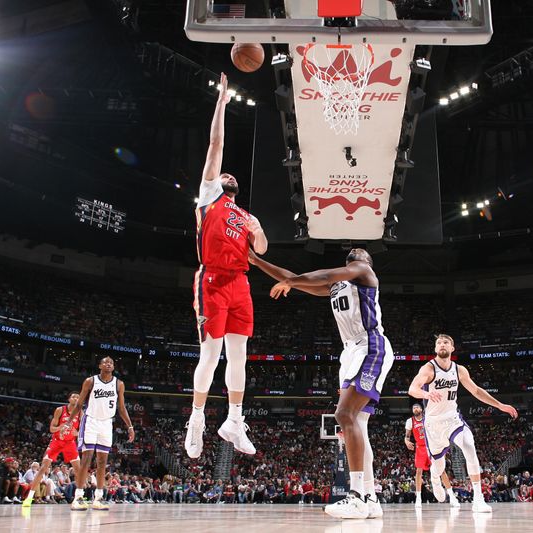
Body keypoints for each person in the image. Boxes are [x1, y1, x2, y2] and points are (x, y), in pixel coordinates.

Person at [250, 248, 394, 519]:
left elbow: (319, 275)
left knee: (344, 414)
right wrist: (257, 261)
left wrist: (291, 282)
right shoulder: (337, 286)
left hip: (370, 344)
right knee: (358, 423)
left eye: (362, 250)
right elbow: (294, 276)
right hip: (350, 351)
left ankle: (356, 495)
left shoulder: (363, 272)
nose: (357, 249)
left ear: (367, 262)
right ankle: (371, 497)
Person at [185, 72, 268, 460]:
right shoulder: (208, 197)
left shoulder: (244, 214)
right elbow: (216, 144)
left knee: (239, 355)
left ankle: (234, 420)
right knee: (210, 355)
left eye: (231, 176)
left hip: (240, 283)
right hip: (213, 281)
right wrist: (221, 104)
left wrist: (259, 228)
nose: (226, 173)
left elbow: (262, 249)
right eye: (223, 174)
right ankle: (197, 418)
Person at [408, 334, 518, 513]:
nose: (442, 345)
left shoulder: (459, 370)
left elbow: (475, 390)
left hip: (452, 419)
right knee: (438, 467)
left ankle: (478, 499)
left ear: (452, 348)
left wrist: (500, 405)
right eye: (438, 343)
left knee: (468, 444)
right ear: (435, 349)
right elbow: (412, 388)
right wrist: (426, 394)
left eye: (446, 342)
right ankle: (435, 479)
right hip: (433, 424)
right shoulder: (428, 368)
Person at [65, 356, 135, 511]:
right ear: (99, 365)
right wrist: (69, 422)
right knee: (86, 459)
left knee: (103, 462)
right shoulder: (90, 381)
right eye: (105, 362)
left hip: (106, 423)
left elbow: (121, 408)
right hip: (90, 421)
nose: (108, 364)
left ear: (114, 367)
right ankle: (78, 497)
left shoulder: (119, 384)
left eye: (111, 362)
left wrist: (130, 426)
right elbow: (79, 403)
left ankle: (98, 498)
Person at [23, 392, 82, 507]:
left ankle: (79, 497)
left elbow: (82, 431)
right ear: (69, 399)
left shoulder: (81, 413)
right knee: (43, 468)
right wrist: (61, 427)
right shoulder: (60, 410)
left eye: (78, 397)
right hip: (57, 441)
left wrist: (78, 433)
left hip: (70, 442)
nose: (76, 398)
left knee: (78, 469)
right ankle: (29, 498)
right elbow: (51, 429)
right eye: (74, 396)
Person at [404, 403, 459, 508]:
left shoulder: (428, 418)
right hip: (420, 447)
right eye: (413, 408)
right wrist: (406, 442)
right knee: (418, 471)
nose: (415, 409)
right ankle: (418, 498)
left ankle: (452, 497)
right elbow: (407, 436)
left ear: (421, 409)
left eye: (417, 407)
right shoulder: (410, 421)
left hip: (432, 445)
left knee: (441, 471)